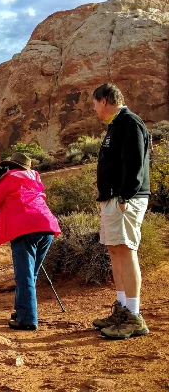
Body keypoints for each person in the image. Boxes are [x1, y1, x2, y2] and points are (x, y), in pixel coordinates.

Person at [92, 83, 151, 339]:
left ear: (104, 100)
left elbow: (135, 162)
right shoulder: (116, 126)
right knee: (115, 250)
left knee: (126, 251)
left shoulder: (130, 122)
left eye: (94, 103)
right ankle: (122, 309)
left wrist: (126, 195)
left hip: (125, 198)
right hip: (112, 199)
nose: (94, 109)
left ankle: (135, 317)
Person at [0, 152, 61, 331]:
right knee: (30, 275)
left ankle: (27, 319)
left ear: (12, 167)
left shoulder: (10, 178)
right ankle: (22, 311)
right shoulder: (34, 179)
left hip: (24, 229)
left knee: (24, 276)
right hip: (47, 227)